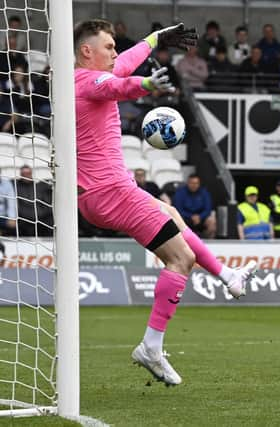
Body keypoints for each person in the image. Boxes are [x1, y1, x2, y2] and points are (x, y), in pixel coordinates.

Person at [74, 19, 256, 387]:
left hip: (107, 191)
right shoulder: (87, 81)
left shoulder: (89, 75)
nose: (114, 52)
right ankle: (151, 347)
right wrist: (146, 85)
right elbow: (118, 84)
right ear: (86, 51)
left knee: (170, 213)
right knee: (180, 259)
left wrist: (154, 39)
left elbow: (124, 64)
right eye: (108, 47)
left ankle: (227, 276)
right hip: (110, 192)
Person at [173, 174, 217, 239]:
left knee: (212, 221)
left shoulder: (204, 192)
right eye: (192, 183)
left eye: (196, 183)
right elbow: (178, 209)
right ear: (188, 183)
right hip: (185, 218)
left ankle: (206, 242)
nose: (194, 185)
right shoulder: (180, 192)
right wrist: (191, 216)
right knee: (176, 220)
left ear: (199, 184)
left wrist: (200, 216)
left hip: (201, 218)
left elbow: (208, 209)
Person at [0, 168, 16, 236]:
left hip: (3, 216)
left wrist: (12, 218)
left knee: (12, 226)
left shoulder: (7, 184)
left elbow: (11, 202)